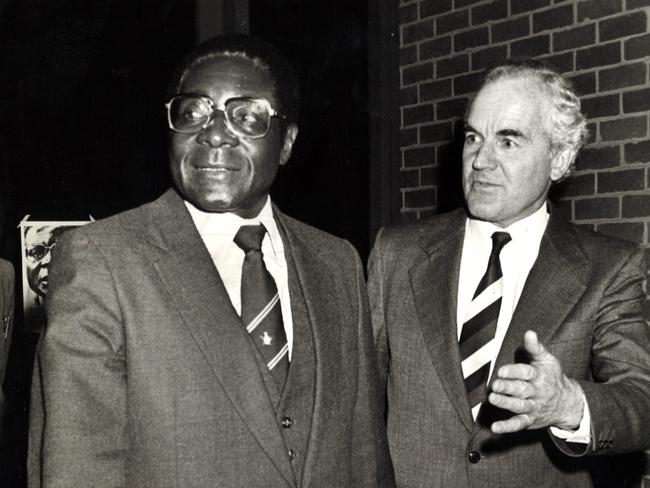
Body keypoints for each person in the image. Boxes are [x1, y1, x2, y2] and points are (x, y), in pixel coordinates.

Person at [29, 35, 393, 488]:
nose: (214, 132)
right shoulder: (102, 261)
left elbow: (365, 456)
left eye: (246, 115)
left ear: (286, 143)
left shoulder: (337, 263)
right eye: (193, 112)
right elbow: (78, 469)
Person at [368, 58, 650, 487]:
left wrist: (568, 404)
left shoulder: (610, 268)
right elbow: (354, 397)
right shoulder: (397, 253)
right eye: (473, 138)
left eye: (508, 141)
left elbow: (641, 401)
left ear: (559, 159)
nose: (481, 160)